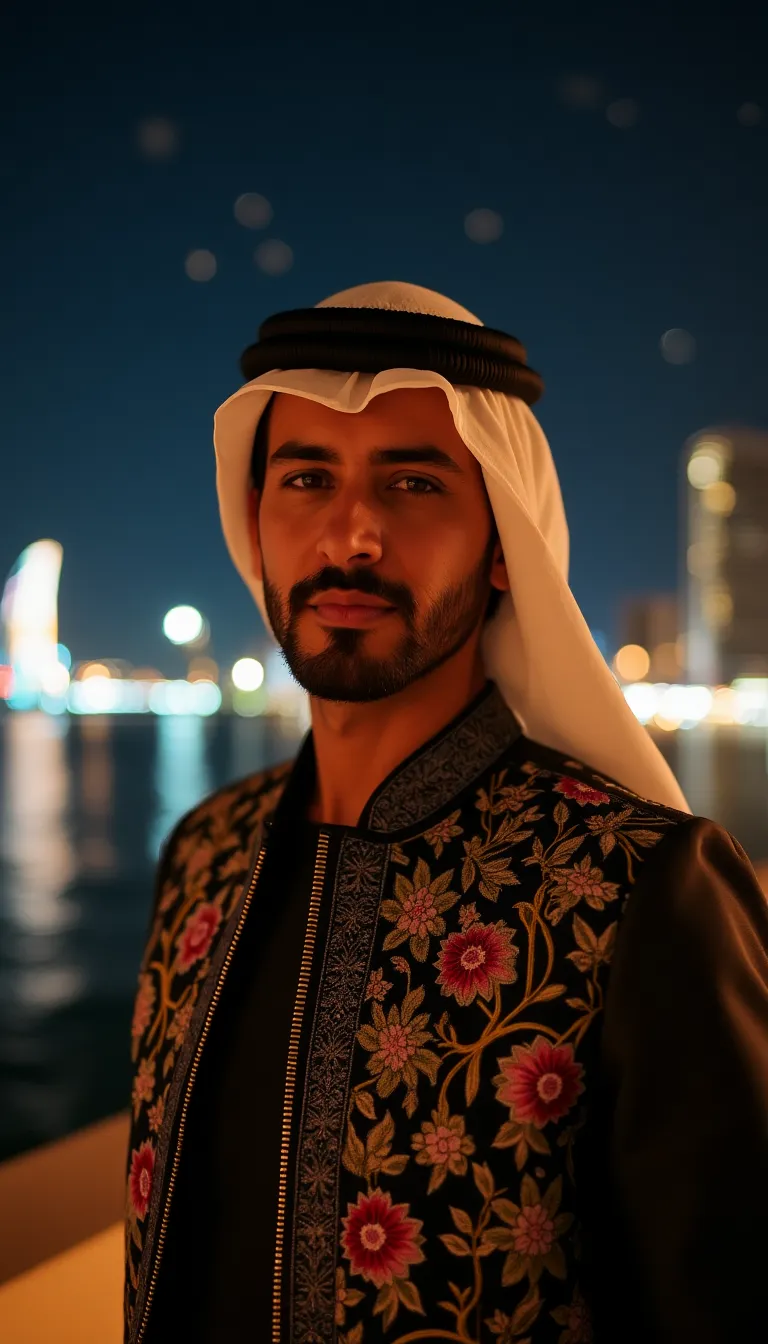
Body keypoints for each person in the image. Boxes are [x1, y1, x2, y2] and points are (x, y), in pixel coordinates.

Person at [124, 281, 768, 1344]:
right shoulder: (204, 855)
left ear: (505, 542)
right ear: (255, 526)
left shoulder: (640, 888)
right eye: (307, 479)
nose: (350, 535)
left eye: (414, 483)